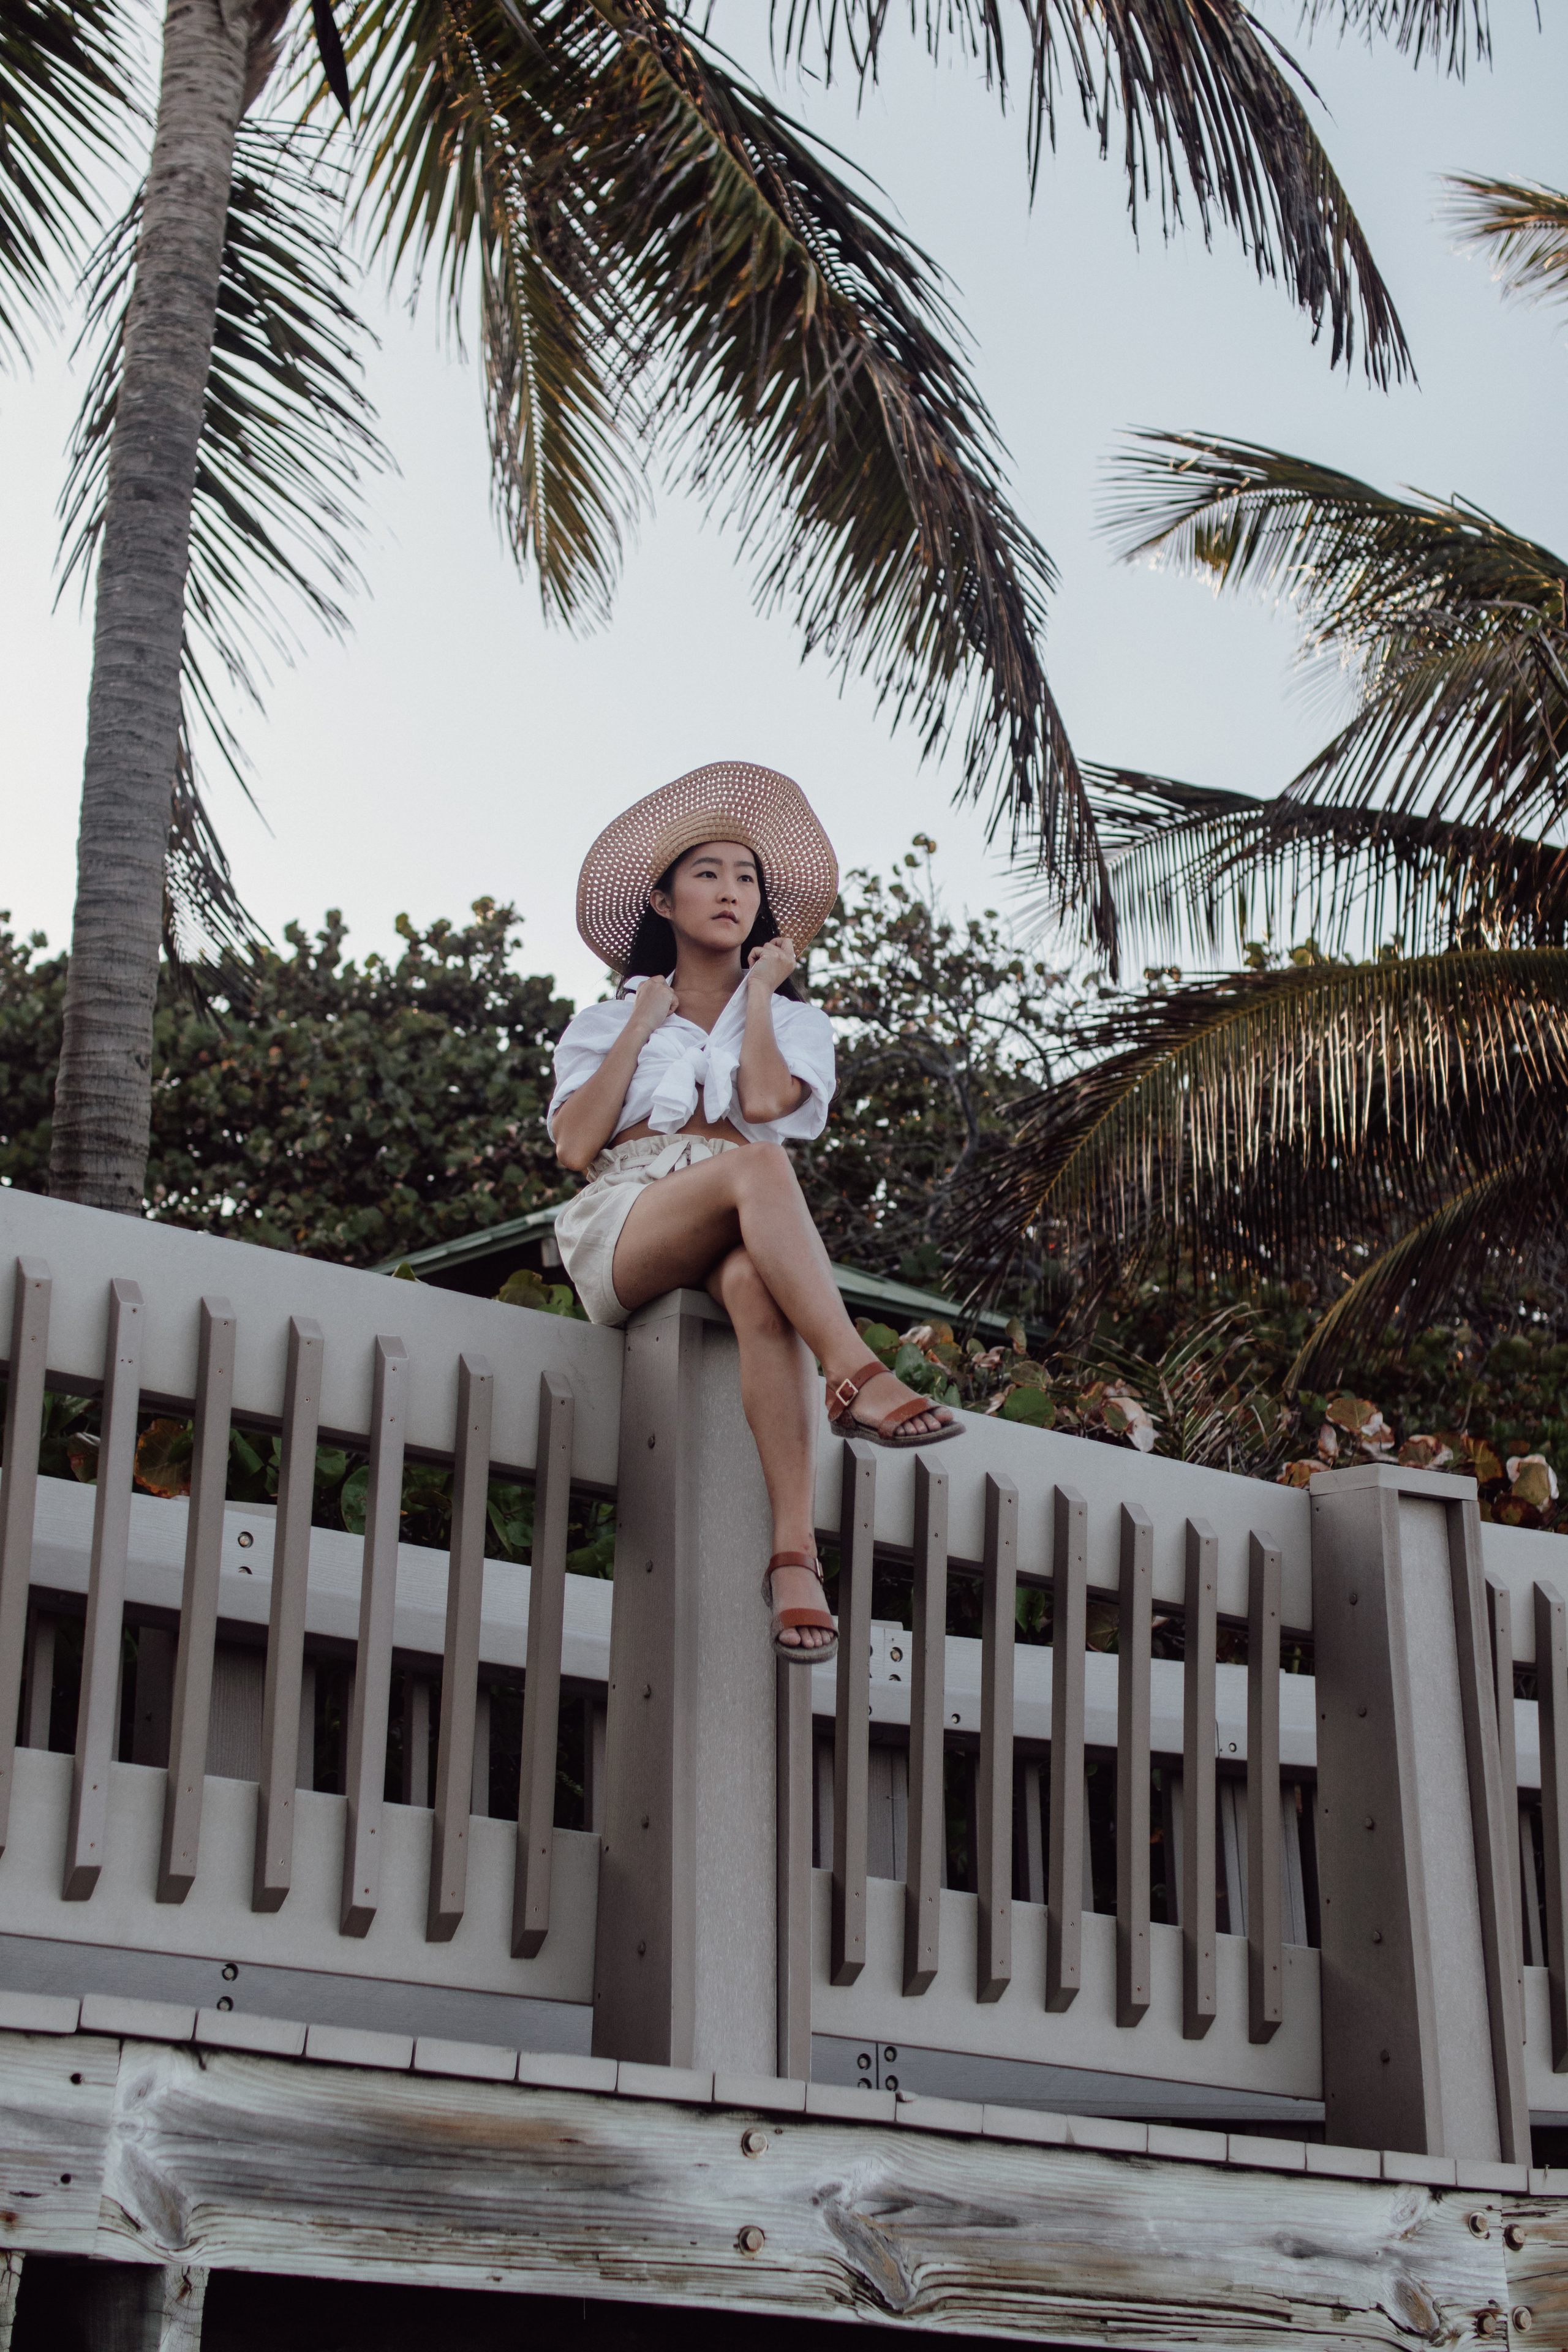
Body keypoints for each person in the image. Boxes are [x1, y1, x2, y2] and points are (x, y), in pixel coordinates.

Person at [549, 761, 963, 1665]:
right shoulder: (605, 1020)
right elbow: (576, 1147)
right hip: (631, 1216)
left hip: (742, 1223)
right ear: (662, 901)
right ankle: (854, 1373)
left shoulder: (796, 1022)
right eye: (708, 874)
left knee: (755, 1287)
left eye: (746, 877)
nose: (731, 891)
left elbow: (770, 1101)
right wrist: (640, 1021)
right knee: (761, 1165)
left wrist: (764, 997)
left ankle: (793, 1557)